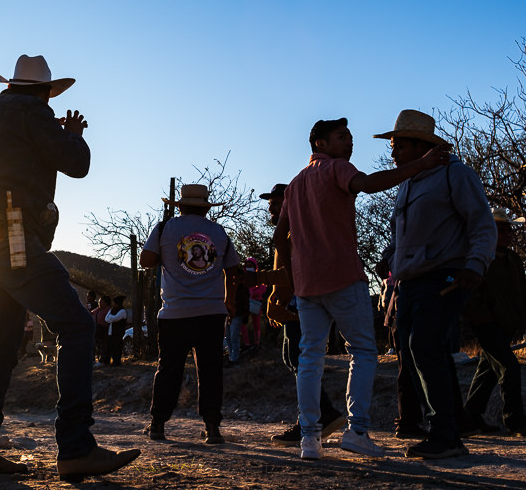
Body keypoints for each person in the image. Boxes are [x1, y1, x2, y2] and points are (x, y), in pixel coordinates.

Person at [0, 54, 139, 481]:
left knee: (1, 344)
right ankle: (76, 448)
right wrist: (73, 135)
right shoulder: (33, 113)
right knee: (76, 325)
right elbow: (77, 164)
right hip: (14, 236)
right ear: (44, 92)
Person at [273, 116, 448, 460]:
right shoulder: (337, 169)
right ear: (320, 143)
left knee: (310, 357)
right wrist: (419, 165)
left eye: (350, 137)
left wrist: (293, 272)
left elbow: (280, 237)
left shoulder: (294, 184)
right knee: (363, 351)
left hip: (307, 284)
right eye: (342, 137)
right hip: (342, 277)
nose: (349, 143)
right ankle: (357, 431)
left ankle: (310, 439)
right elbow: (367, 185)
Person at [377, 109, 497, 459]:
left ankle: (446, 434)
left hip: (444, 275)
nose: (393, 152)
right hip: (409, 282)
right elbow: (400, 235)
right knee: (415, 353)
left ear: (421, 146)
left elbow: (481, 223)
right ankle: (445, 428)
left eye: (399, 145)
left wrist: (475, 264)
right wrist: (390, 259)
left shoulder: (455, 174)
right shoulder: (407, 183)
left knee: (425, 346)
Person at [141, 184, 241, 445]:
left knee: (169, 369)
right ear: (206, 208)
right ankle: (212, 428)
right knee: (210, 370)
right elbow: (234, 270)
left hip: (174, 312)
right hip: (211, 312)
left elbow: (146, 261)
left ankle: (158, 425)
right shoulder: (218, 232)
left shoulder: (165, 228)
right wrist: (230, 301)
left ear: (181, 206)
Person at [260, 184, 347, 447]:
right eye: (270, 202)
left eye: (276, 202)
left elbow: (291, 273)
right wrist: (276, 299)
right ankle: (316, 416)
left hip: (303, 304)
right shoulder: (286, 231)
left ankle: (316, 418)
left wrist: (256, 280)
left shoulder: (296, 232)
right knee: (294, 359)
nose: (271, 207)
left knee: (301, 360)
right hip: (293, 304)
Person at [462, 208, 526, 437]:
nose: (509, 234)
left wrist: (518, 320)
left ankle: (471, 417)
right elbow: (473, 294)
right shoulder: (480, 258)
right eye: (502, 230)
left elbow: (518, 294)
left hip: (507, 324)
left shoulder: (514, 259)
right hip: (487, 324)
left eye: (509, 230)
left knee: (487, 370)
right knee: (510, 367)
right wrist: (482, 318)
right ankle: (515, 421)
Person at [104, 295, 128, 366]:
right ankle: (107, 361)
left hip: (118, 333)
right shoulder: (111, 310)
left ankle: (116, 362)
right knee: (110, 347)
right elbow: (106, 319)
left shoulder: (122, 311)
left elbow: (116, 318)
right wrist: (111, 319)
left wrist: (110, 318)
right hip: (111, 332)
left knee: (117, 347)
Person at [91, 296, 111, 366]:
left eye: (101, 301)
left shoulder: (108, 310)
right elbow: (92, 312)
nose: (99, 303)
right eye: (99, 301)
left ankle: (102, 360)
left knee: (103, 345)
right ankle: (95, 359)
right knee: (96, 345)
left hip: (103, 329)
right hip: (96, 329)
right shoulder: (98, 309)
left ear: (106, 303)